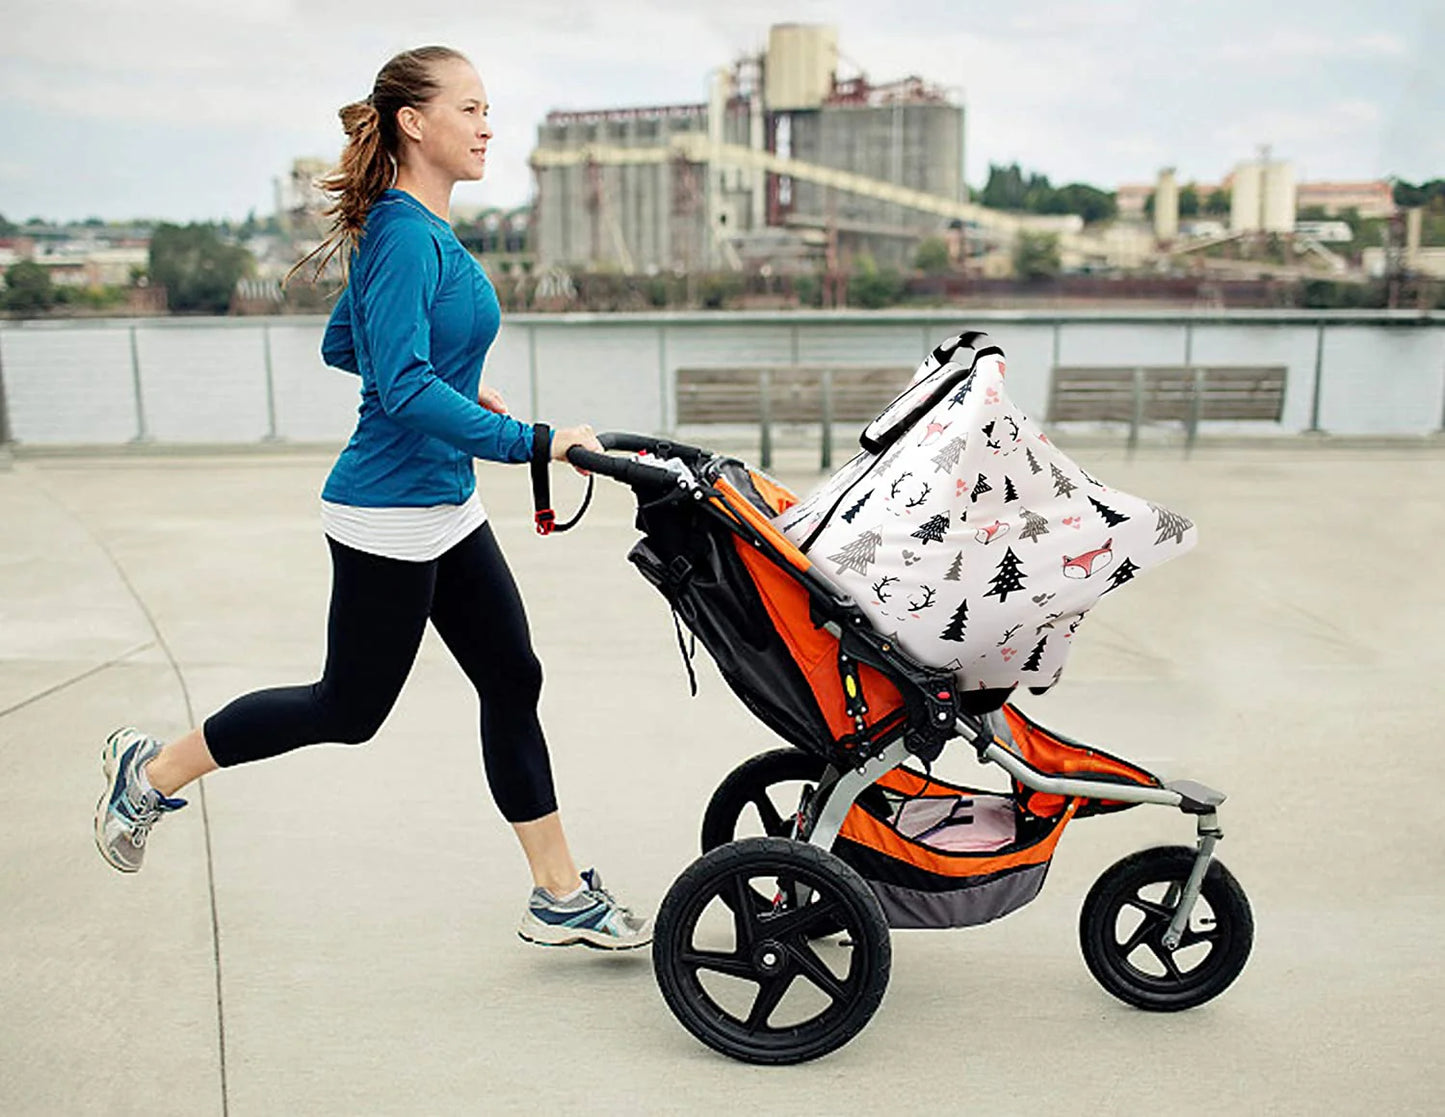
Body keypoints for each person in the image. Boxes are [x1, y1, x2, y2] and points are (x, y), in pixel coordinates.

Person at [94, 45, 651, 951]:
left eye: (487, 109)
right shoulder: (401, 234)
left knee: (511, 676)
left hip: (444, 503)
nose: (488, 127)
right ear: (413, 123)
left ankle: (558, 892)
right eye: (470, 109)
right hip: (388, 511)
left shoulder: (418, 230)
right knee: (346, 710)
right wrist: (533, 440)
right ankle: (151, 772)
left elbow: (344, 347)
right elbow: (399, 385)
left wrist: (455, 389)